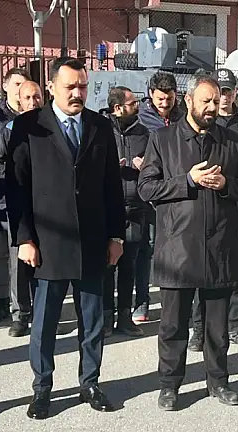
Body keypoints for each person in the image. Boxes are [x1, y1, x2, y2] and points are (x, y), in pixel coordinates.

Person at [6, 57, 126, 420]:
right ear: (52, 87)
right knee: (44, 323)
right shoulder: (29, 126)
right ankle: (42, 388)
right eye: (70, 86)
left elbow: (112, 185)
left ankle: (90, 382)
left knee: (92, 321)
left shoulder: (99, 126)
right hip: (48, 243)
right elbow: (17, 187)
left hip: (92, 241)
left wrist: (116, 235)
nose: (77, 93)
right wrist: (24, 238)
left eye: (82, 87)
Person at [137, 75, 238, 411]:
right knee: (173, 326)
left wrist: (226, 184)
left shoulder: (231, 141)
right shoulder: (163, 139)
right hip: (178, 249)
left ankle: (219, 382)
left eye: (216, 101)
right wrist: (188, 181)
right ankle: (169, 386)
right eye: (206, 101)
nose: (212, 107)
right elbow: (147, 188)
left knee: (217, 327)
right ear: (188, 100)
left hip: (219, 247)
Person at [188, 68, 238, 352]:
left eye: (227, 92)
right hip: (203, 212)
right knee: (200, 274)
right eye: (219, 93)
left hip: (234, 209)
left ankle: (234, 326)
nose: (223, 98)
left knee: (233, 273)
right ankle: (198, 329)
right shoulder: (203, 123)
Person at [0, 80, 44, 337]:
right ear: (19, 101)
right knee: (19, 262)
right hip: (19, 205)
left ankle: (43, 312)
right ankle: (20, 314)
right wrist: (16, 176)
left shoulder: (52, 127)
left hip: (48, 206)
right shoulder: (9, 130)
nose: (33, 102)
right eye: (28, 98)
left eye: (37, 96)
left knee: (45, 261)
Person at [0, 67, 31, 324]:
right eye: (17, 84)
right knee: (0, 252)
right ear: (6, 87)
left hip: (26, 198)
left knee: (20, 253)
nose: (22, 90)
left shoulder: (34, 116)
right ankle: (1, 301)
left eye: (25, 84)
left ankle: (22, 306)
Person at [134, 72, 185, 325]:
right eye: (160, 99)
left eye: (169, 98)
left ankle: (173, 301)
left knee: (171, 249)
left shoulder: (183, 117)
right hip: (148, 192)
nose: (165, 104)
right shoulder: (140, 119)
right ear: (150, 95)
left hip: (175, 191)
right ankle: (141, 300)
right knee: (145, 249)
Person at [101, 86, 149, 337]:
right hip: (108, 209)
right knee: (107, 265)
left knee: (129, 265)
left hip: (135, 209)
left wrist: (146, 166)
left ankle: (125, 316)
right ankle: (105, 317)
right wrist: (110, 167)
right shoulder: (101, 130)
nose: (137, 106)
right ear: (118, 108)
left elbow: (156, 164)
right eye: (132, 103)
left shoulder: (143, 132)